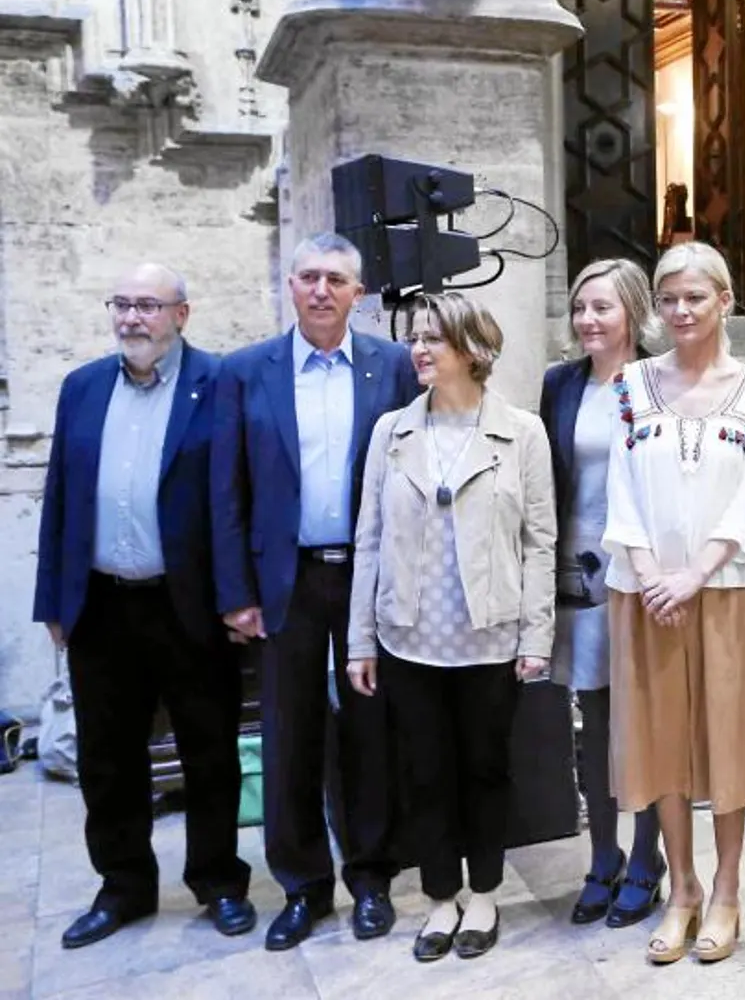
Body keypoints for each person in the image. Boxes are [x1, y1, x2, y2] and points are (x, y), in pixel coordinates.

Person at [33, 264, 254, 949]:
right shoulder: (83, 386)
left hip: (188, 604)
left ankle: (217, 879)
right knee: (107, 755)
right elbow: (60, 497)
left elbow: (238, 497)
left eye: (148, 306)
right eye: (122, 304)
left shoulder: (219, 384)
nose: (132, 318)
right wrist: (54, 599)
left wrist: (239, 597)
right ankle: (123, 884)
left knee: (210, 748)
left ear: (181, 315)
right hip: (100, 604)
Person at [210, 233, 419, 950]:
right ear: (290, 287)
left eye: (336, 278)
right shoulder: (247, 372)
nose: (321, 290)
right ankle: (303, 885)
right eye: (308, 277)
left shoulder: (393, 367)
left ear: (358, 293)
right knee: (289, 734)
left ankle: (370, 878)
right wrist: (236, 591)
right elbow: (226, 491)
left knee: (369, 731)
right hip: (285, 581)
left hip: (369, 576)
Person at [344, 292, 556, 962]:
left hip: (489, 634)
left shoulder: (522, 431)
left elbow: (540, 541)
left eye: (435, 337)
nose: (420, 348)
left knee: (485, 767)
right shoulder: (391, 432)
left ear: (475, 350)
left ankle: (486, 890)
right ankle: (442, 896)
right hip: (410, 636)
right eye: (416, 336)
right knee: (426, 772)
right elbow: (368, 539)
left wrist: (536, 635)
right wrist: (359, 639)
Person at [602, 241, 745, 966]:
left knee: (727, 740)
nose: (679, 310)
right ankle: (683, 889)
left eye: (694, 297)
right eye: (668, 297)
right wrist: (650, 573)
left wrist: (695, 574)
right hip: (643, 591)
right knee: (662, 742)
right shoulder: (631, 385)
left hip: (724, 587)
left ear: (725, 301)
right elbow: (619, 485)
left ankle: (730, 890)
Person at [541, 258, 666, 928]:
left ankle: (648, 857)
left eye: (603, 308)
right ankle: (602, 857)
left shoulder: (660, 383)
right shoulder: (560, 386)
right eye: (581, 307)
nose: (589, 319)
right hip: (578, 580)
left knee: (642, 726)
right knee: (592, 729)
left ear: (632, 313)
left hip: (645, 582)